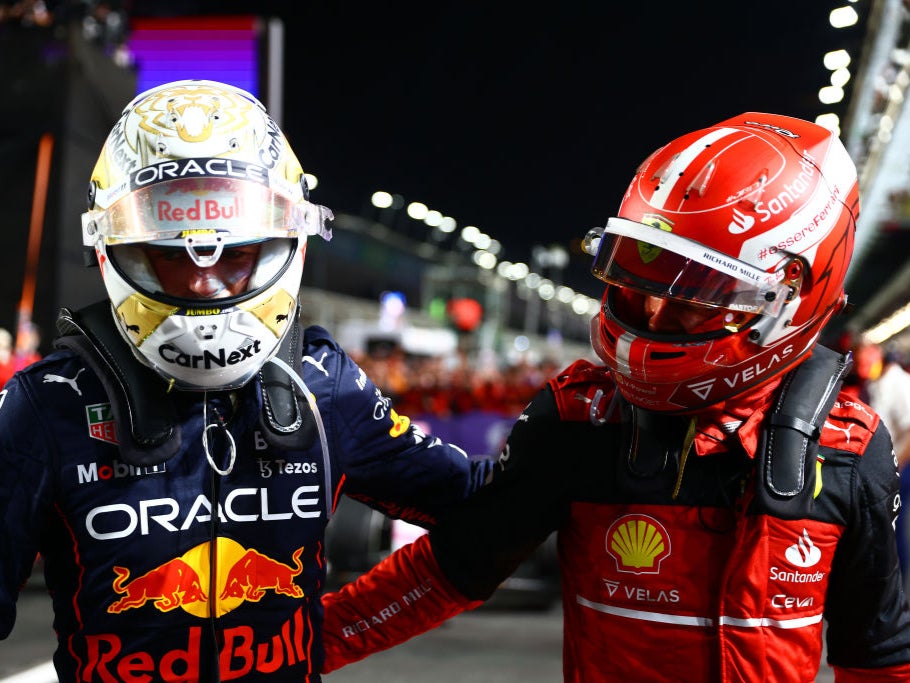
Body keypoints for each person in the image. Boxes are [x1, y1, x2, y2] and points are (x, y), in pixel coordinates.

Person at [320, 112, 910, 682]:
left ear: (788, 300)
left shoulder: (848, 446)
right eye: (643, 279)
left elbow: (878, 650)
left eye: (696, 294)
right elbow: (453, 568)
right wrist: (288, 655)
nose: (654, 311)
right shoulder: (578, 419)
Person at [0, 79, 492, 682]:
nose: (206, 283)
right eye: (172, 254)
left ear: (290, 239)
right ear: (114, 248)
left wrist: (335, 632)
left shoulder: (324, 386)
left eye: (235, 254)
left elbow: (488, 512)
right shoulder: (46, 407)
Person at [867, 344, 910, 584]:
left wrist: (897, 467)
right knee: (882, 528)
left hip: (900, 466)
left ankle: (895, 586)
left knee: (892, 528)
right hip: (885, 467)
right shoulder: (878, 382)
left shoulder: (899, 383)